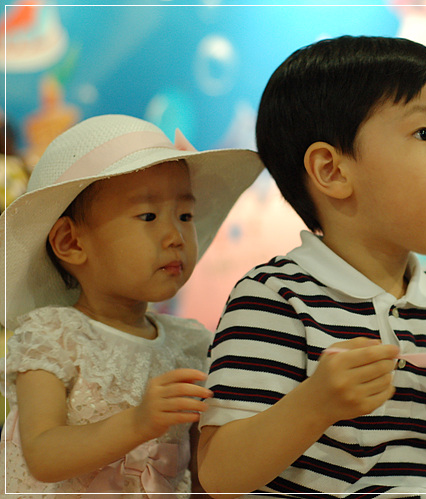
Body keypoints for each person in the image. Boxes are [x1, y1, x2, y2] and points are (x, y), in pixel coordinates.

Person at [197, 36, 426, 497]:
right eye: (424, 134)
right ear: (332, 171)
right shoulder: (275, 298)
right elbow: (219, 475)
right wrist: (315, 404)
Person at [0, 114, 264, 496]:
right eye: (148, 216)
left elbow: (205, 470)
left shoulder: (190, 344)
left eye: (185, 215)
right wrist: (139, 422)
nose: (176, 236)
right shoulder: (52, 335)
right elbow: (42, 455)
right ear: (71, 242)